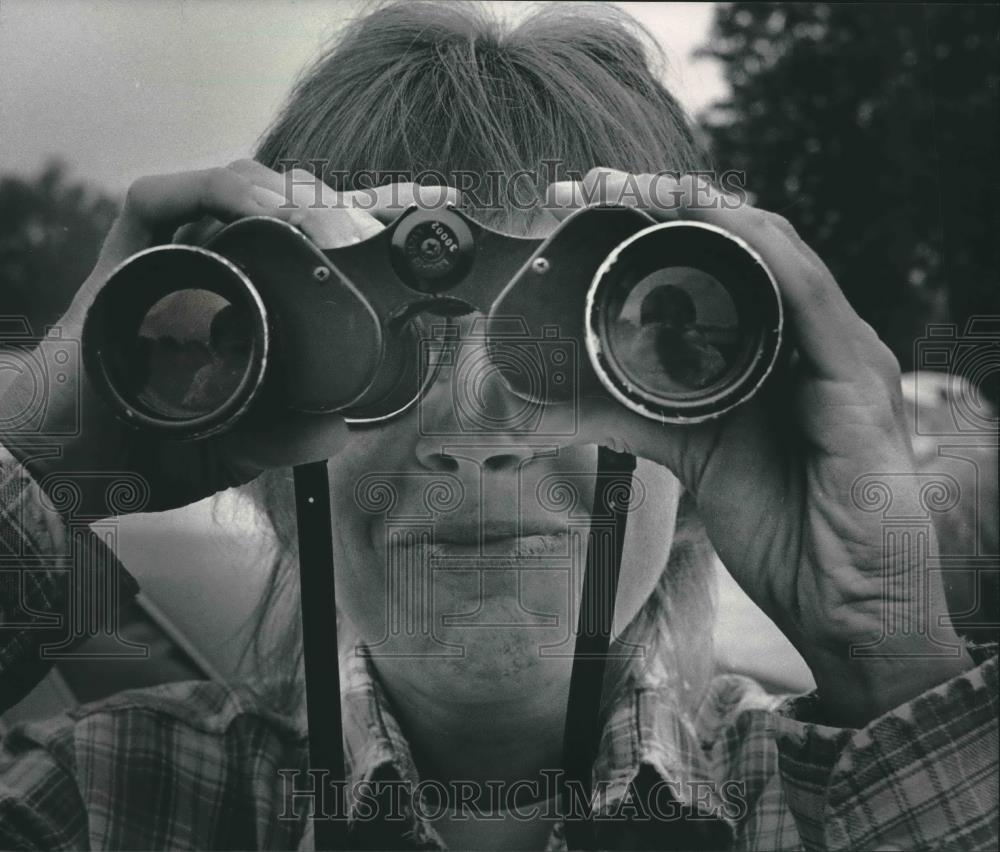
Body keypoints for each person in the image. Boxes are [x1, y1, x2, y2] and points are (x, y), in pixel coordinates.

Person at [0, 3, 996, 850]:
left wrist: (891, 657)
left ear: (703, 446)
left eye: (575, 350)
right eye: (376, 354)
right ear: (263, 436)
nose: (475, 433)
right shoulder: (108, 797)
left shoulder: (835, 804)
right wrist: (40, 464)